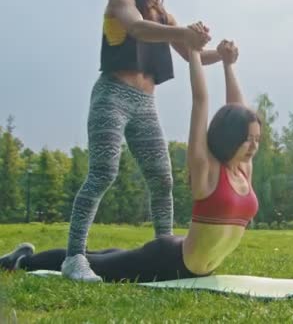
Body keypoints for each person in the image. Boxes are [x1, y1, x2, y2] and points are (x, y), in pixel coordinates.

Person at [0, 39, 261, 283]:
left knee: (111, 255)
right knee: (98, 263)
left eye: (256, 139)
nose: (254, 145)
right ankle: (22, 261)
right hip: (169, 260)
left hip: (188, 259)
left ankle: (24, 256)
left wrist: (228, 64)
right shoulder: (208, 169)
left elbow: (239, 110)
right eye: (248, 139)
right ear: (231, 136)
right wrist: (193, 52)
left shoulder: (242, 170)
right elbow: (200, 101)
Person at [63, 0, 223, 282]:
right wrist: (185, 34)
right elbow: (137, 28)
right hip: (112, 96)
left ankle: (166, 252)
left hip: (146, 104)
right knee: (103, 172)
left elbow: (192, 55)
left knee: (162, 179)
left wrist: (223, 55)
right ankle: (74, 257)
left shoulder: (165, 16)